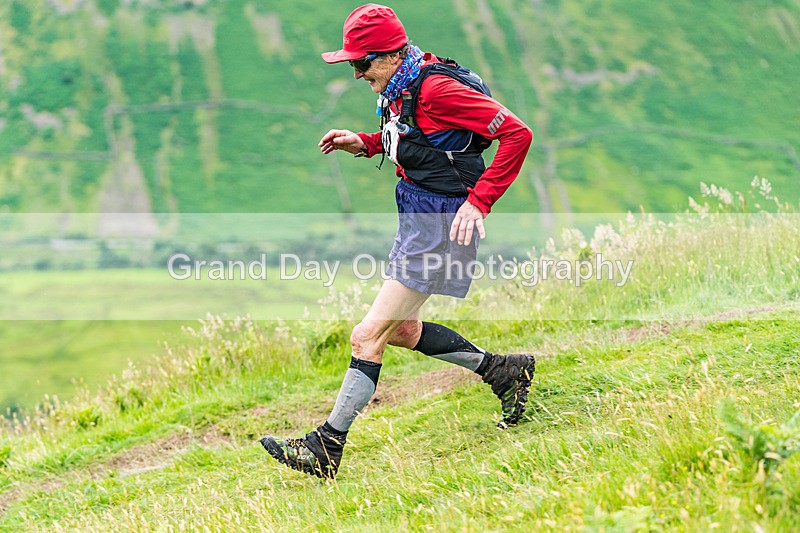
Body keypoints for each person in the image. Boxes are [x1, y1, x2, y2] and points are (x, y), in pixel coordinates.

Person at [261, 3, 534, 479]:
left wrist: (480, 202)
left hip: (441, 224)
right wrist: (364, 142)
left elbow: (517, 133)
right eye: (350, 64)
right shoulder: (402, 83)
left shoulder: (438, 89)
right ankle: (504, 371)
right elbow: (420, 140)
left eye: (360, 63)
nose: (355, 73)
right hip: (419, 215)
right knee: (404, 330)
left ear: (388, 55)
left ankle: (326, 447)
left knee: (367, 336)